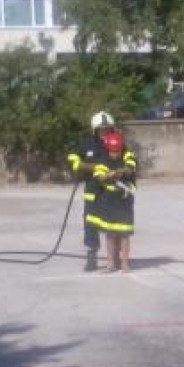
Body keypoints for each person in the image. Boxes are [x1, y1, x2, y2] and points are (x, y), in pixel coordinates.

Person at [66, 111, 116, 271]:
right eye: (101, 129)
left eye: (107, 128)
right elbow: (73, 159)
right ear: (95, 129)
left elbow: (127, 161)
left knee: (113, 224)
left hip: (111, 192)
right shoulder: (86, 143)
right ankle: (91, 257)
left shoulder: (118, 143)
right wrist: (90, 167)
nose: (104, 131)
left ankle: (114, 257)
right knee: (90, 225)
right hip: (92, 192)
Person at [87, 131, 137, 273]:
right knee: (110, 234)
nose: (115, 154)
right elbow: (100, 177)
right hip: (109, 202)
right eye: (113, 151)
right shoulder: (103, 160)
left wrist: (122, 171)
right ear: (108, 149)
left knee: (125, 234)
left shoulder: (127, 157)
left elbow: (130, 168)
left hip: (124, 200)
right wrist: (109, 175)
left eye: (117, 150)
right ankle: (110, 264)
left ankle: (125, 263)